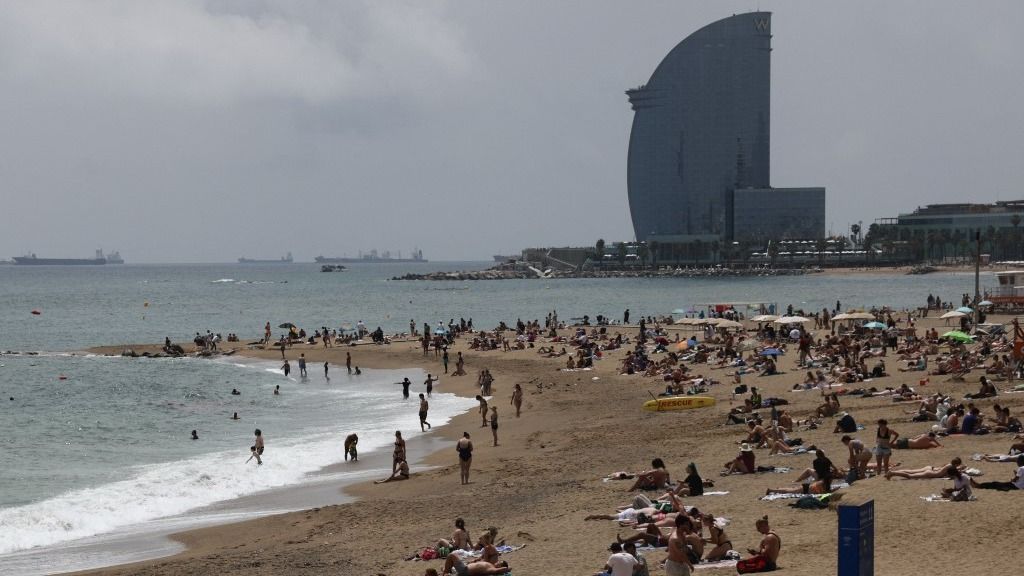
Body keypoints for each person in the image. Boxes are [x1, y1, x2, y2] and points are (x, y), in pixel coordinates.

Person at [441, 552, 509, 576]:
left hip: (465, 571)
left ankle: (445, 573)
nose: (498, 562)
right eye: (499, 561)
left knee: (451, 555)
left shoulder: (492, 568)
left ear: (500, 567)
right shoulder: (490, 565)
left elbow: (500, 570)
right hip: (465, 568)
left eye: (499, 563)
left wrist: (507, 568)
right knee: (454, 557)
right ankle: (446, 572)